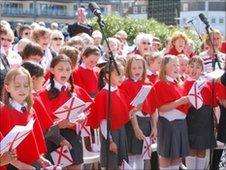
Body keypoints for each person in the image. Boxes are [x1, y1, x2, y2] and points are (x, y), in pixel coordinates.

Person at [39, 54, 93, 169]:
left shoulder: (76, 90)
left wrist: (83, 117)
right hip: (53, 137)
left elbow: (88, 108)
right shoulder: (44, 93)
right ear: (52, 70)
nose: (64, 72)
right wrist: (59, 126)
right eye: (60, 69)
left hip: (73, 136)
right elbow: (43, 122)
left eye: (68, 69)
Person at [87, 62, 136, 169]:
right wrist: (110, 141)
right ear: (108, 76)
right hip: (110, 134)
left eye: (122, 75)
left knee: (121, 164)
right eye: (118, 74)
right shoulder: (103, 94)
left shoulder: (120, 92)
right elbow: (103, 121)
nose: (121, 78)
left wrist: (136, 108)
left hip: (121, 131)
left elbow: (124, 114)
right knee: (112, 165)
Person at [0, 67, 51, 169]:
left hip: (30, 162)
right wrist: (20, 165)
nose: (22, 89)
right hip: (13, 166)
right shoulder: (3, 112)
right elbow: (4, 148)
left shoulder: (30, 110)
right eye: (17, 86)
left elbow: (33, 139)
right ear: (7, 87)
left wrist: (39, 158)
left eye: (26, 86)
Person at [119, 54, 157, 169]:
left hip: (146, 122)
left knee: (142, 154)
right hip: (132, 123)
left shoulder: (148, 84)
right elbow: (131, 109)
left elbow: (153, 108)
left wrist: (154, 127)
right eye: (134, 68)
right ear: (128, 69)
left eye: (140, 68)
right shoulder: (125, 85)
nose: (137, 70)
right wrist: (136, 128)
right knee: (131, 153)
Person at [154, 55, 190, 170]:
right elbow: (162, 108)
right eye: (173, 65)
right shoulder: (160, 84)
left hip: (180, 124)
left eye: (178, 65)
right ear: (164, 67)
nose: (177, 67)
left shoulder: (179, 84)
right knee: (165, 157)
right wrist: (180, 101)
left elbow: (183, 105)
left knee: (176, 157)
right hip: (168, 124)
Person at [184, 57, 217, 170]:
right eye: (192, 66)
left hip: (205, 119)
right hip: (192, 118)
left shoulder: (207, 83)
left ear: (202, 70)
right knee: (192, 148)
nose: (194, 69)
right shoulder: (185, 83)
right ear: (187, 68)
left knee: (202, 149)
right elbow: (184, 104)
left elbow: (214, 103)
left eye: (198, 67)